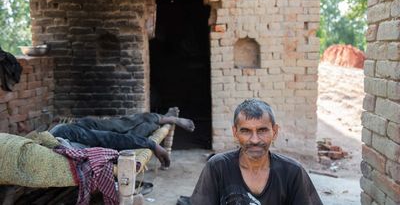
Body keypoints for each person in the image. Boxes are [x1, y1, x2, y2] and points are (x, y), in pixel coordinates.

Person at [190, 99, 322, 205]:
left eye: (262, 130)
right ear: (235, 133)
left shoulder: (292, 171)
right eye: (245, 131)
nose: (254, 140)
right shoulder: (217, 167)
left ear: (274, 132)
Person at [49, 107, 195, 168]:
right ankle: (162, 119)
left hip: (83, 129)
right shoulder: (49, 151)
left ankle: (168, 119)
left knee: (121, 124)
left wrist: (152, 144)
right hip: (88, 140)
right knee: (134, 133)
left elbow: (108, 138)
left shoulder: (60, 133)